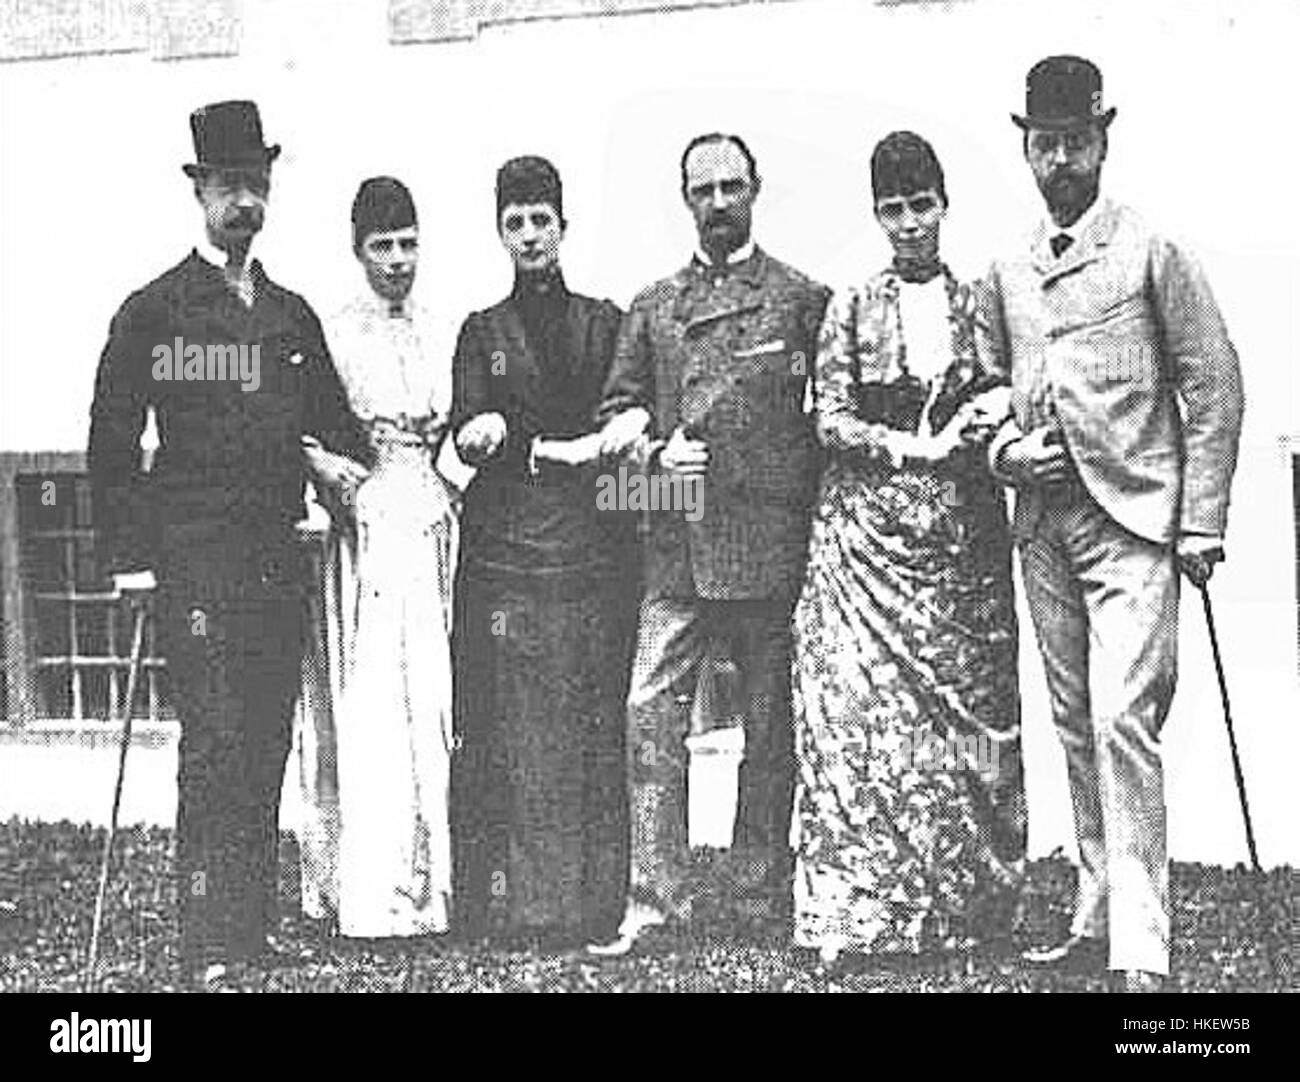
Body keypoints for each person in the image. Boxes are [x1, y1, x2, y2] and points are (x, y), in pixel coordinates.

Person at [86, 100, 369, 988]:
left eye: (257, 185)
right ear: (198, 189)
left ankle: (249, 931)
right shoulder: (156, 311)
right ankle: (207, 943)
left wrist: (333, 468)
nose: (244, 202)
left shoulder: (289, 315)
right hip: (194, 562)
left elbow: (336, 424)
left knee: (264, 747)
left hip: (275, 559)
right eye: (228, 186)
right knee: (213, 744)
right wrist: (131, 558)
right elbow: (112, 437)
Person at [986, 56, 1245, 991]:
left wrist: (1203, 521)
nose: (1059, 161)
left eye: (1075, 142)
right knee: (1070, 716)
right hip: (1044, 522)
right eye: (1043, 144)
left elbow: (1213, 384)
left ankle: (1143, 947)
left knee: (1122, 717)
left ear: (1103, 139)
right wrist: (1002, 457)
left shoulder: (1150, 250)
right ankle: (1095, 912)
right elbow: (980, 395)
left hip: (1134, 519)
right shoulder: (1007, 267)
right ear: (1026, 147)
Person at [790, 131, 1026, 965]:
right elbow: (829, 417)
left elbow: (1006, 382)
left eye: (920, 205)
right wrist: (909, 448)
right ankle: (863, 915)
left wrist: (986, 413)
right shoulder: (852, 305)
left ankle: (966, 912)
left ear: (944, 205)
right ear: (877, 214)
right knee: (858, 717)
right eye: (892, 208)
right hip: (862, 538)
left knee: (966, 718)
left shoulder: (980, 300)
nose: (908, 224)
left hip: (960, 541)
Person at [594, 133, 830, 954]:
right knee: (649, 717)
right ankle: (656, 905)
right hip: (676, 545)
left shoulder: (803, 299)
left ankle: (761, 900)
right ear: (685, 200)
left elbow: (823, 426)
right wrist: (654, 453)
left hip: (769, 545)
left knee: (771, 730)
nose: (720, 202)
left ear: (756, 189)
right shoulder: (653, 305)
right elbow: (617, 411)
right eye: (705, 190)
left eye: (733, 186)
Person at [450, 156, 638, 949]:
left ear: (564, 225)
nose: (530, 235)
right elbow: (466, 428)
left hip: (592, 554)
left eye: (541, 220)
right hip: (507, 560)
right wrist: (479, 431)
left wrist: (601, 443)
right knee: (514, 731)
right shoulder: (482, 331)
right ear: (499, 232)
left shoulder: (604, 321)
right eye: (515, 223)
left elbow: (629, 412)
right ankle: (516, 907)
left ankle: (596, 902)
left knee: (592, 724)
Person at [298, 177, 459, 938]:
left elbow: (460, 429)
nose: (398, 261)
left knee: (434, 691)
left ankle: (437, 881)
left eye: (407, 244)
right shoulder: (333, 334)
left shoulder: (441, 325)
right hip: (366, 528)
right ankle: (372, 883)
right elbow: (305, 429)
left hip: (434, 518)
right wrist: (331, 475)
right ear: (358, 251)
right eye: (381, 247)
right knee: (373, 701)